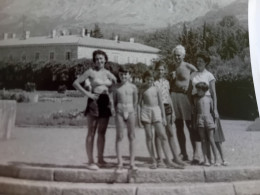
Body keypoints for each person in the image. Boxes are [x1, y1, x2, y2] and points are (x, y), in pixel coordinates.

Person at [73, 50, 117, 170]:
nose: (99, 61)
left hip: (105, 103)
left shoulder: (108, 73)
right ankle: (90, 161)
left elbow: (115, 84)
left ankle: (101, 159)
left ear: (105, 59)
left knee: (102, 133)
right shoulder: (90, 72)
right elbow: (76, 83)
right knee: (91, 132)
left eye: (101, 58)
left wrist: (111, 92)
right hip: (94, 102)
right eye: (97, 59)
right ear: (94, 61)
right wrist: (88, 94)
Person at [138, 70, 183, 169]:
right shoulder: (142, 89)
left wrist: (163, 117)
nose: (150, 80)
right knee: (149, 136)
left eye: (151, 79)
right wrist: (139, 118)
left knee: (163, 136)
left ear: (153, 79)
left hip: (156, 110)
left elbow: (161, 103)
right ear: (144, 78)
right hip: (145, 111)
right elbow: (139, 104)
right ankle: (154, 160)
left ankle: (169, 161)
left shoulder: (156, 89)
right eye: (147, 79)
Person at [190, 52, 227, 166]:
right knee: (202, 136)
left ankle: (221, 159)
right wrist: (192, 104)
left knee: (215, 136)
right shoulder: (193, 74)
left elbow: (214, 94)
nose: (198, 63)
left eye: (201, 61)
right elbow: (189, 91)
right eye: (197, 61)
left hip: (208, 105)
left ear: (206, 62)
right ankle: (207, 159)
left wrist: (215, 109)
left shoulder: (209, 75)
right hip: (197, 105)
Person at [169, 45, 200, 164]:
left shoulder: (188, 66)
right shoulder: (172, 66)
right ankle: (183, 153)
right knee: (178, 126)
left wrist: (192, 89)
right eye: (175, 55)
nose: (177, 57)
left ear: (183, 55)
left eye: (179, 55)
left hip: (185, 97)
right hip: (174, 96)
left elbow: (199, 76)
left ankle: (196, 154)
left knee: (190, 126)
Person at [153, 61, 186, 168]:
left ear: (165, 71)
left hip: (167, 108)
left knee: (170, 132)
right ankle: (160, 159)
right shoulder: (153, 83)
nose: (161, 71)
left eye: (162, 69)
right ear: (156, 70)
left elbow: (168, 96)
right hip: (158, 108)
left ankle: (175, 157)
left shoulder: (167, 82)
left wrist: (173, 112)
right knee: (158, 134)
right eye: (159, 69)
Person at [113, 66, 138, 171]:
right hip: (119, 111)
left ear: (129, 75)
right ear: (119, 75)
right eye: (122, 74)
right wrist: (117, 111)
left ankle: (132, 162)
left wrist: (133, 111)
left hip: (131, 111)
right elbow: (114, 101)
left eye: (126, 74)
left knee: (131, 136)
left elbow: (136, 101)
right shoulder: (116, 87)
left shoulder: (133, 87)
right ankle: (120, 162)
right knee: (119, 136)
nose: (123, 76)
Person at [194, 82, 218, 166]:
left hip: (209, 119)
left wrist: (215, 123)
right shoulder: (196, 99)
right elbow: (195, 111)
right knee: (203, 140)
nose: (198, 91)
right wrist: (194, 123)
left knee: (211, 140)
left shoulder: (209, 99)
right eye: (197, 90)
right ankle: (205, 159)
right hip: (200, 119)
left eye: (199, 90)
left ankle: (216, 159)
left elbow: (212, 112)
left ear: (204, 90)